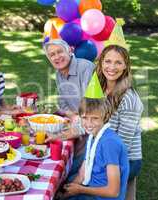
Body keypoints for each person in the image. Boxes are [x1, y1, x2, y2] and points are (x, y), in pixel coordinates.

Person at [64, 72, 129, 200]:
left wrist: (80, 189)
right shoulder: (94, 136)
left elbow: (113, 191)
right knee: (62, 186)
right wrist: (70, 190)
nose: (88, 123)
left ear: (104, 117)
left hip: (102, 197)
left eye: (94, 118)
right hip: (91, 187)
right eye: (85, 118)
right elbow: (84, 169)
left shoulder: (109, 143)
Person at [43, 32, 95, 182]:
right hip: (78, 121)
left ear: (70, 51)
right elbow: (62, 102)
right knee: (54, 156)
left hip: (94, 125)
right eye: (52, 55)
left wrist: (78, 120)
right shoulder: (59, 73)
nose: (57, 57)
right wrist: (72, 116)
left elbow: (92, 106)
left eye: (60, 52)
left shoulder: (85, 68)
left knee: (69, 172)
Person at [96, 45, 143, 200]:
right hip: (106, 151)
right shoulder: (100, 89)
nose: (112, 67)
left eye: (118, 62)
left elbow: (122, 145)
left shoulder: (129, 99)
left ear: (125, 66)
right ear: (101, 62)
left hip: (125, 158)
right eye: (108, 61)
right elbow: (89, 119)